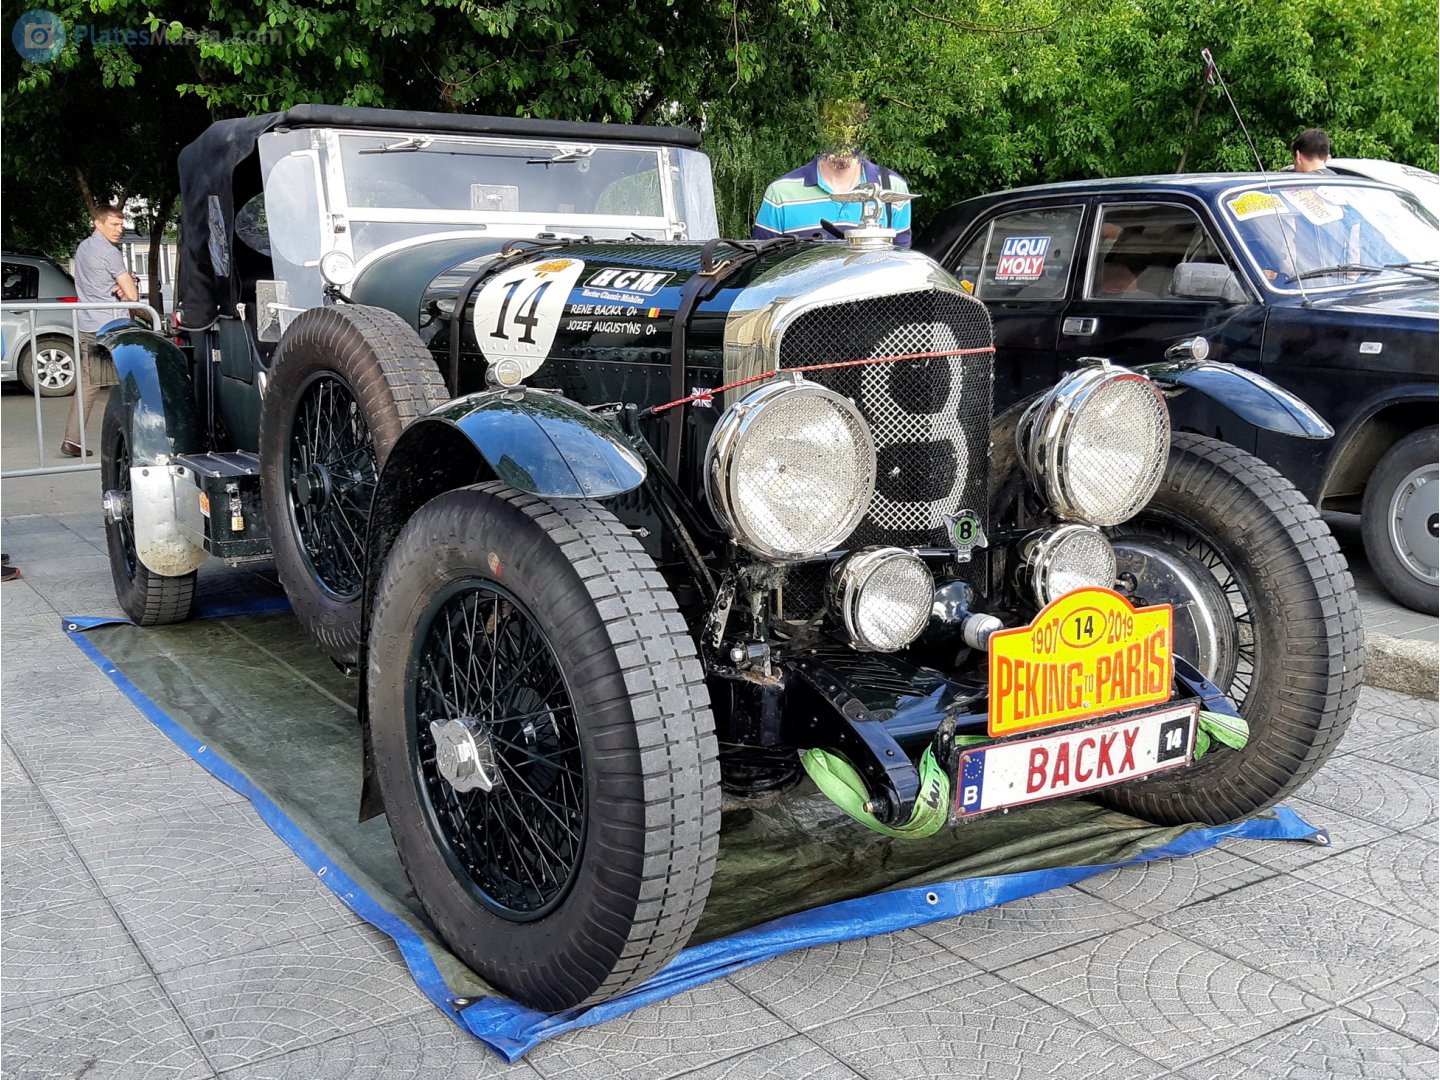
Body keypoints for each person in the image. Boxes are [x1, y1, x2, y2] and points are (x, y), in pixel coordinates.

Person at [753, 100, 912, 247]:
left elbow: (898, 269)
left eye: (850, 126)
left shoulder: (892, 187)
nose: (843, 137)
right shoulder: (781, 194)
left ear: (863, 132)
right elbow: (762, 269)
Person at [61, 205, 136, 457]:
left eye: (121, 224)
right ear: (98, 223)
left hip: (88, 324)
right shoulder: (110, 252)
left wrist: (119, 283)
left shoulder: (83, 248)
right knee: (129, 380)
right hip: (113, 327)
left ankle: (72, 439)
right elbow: (132, 295)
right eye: (114, 225)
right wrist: (128, 283)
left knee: (89, 383)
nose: (119, 229)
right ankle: (135, 439)